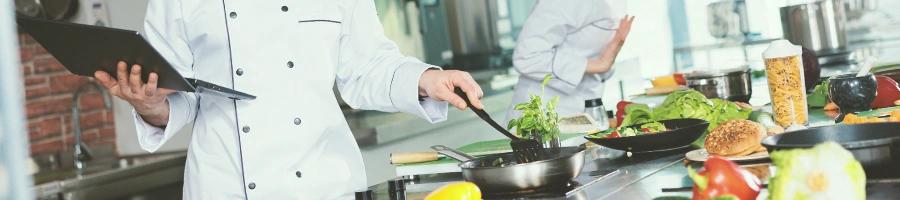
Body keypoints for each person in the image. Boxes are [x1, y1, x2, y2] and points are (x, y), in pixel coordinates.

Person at [92, 1, 484, 199]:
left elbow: (367, 66)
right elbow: (174, 89)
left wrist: (426, 78)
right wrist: (149, 105)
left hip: (322, 184)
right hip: (228, 186)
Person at [504, 0, 634, 127]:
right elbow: (527, 56)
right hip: (545, 115)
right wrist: (600, 64)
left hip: (586, 112)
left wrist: (609, 58)